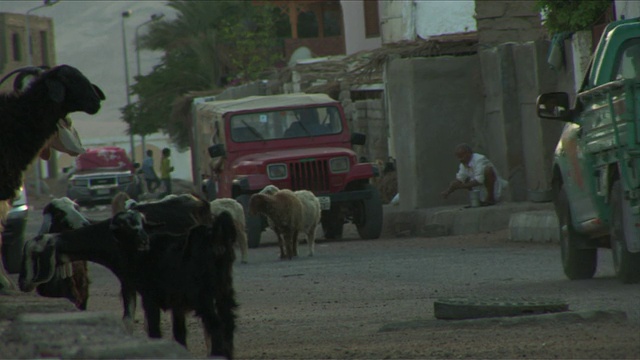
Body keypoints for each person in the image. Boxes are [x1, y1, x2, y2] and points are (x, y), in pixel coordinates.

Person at [441, 143, 508, 206]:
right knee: (466, 180)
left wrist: (461, 186)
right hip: (480, 191)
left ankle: (491, 198)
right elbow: (460, 179)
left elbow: (479, 180)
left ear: (468, 154)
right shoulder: (463, 164)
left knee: (488, 170)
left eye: (461, 156)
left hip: (494, 190)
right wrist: (448, 191)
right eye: (458, 157)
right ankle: (478, 200)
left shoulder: (480, 159)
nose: (460, 160)